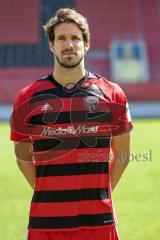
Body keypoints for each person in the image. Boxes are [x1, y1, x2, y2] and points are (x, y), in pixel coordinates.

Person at [10, 8, 133, 240]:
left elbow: (123, 154)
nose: (69, 45)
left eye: (76, 38)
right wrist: (49, 193)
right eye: (61, 38)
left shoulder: (112, 94)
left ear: (86, 44)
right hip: (45, 222)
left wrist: (101, 193)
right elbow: (22, 156)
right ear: (51, 45)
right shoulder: (26, 98)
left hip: (99, 222)